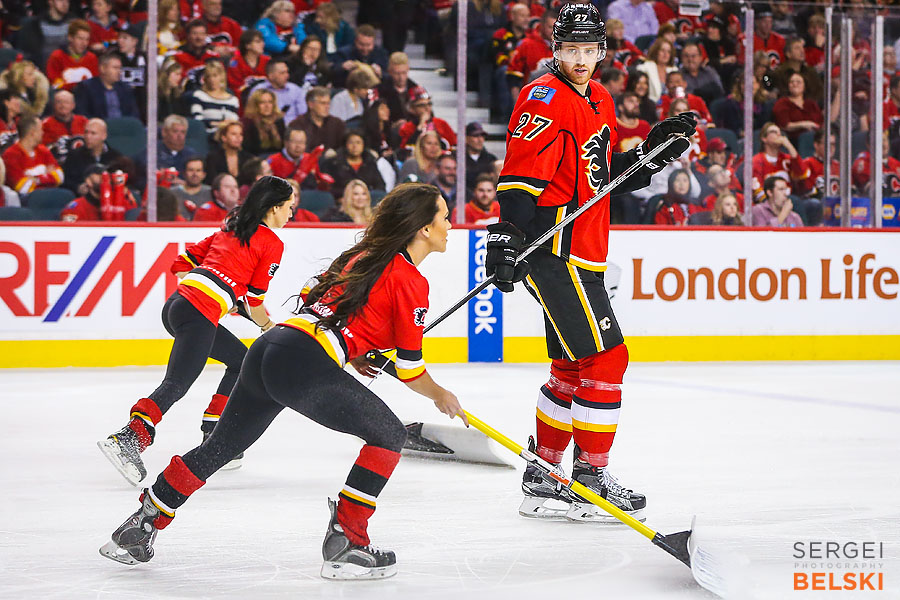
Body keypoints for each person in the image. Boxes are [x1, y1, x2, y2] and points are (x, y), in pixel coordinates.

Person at [100, 183, 465, 578]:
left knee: (220, 447)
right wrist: (441, 395)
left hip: (271, 346)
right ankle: (348, 542)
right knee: (389, 435)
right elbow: (410, 369)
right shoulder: (412, 281)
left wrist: (354, 349)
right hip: (303, 362)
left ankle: (139, 527)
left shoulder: (362, 256)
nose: (450, 225)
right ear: (424, 228)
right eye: (444, 217)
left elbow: (311, 294)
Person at [489, 4, 696, 522]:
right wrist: (507, 234)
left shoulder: (600, 97)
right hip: (553, 249)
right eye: (570, 49)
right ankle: (589, 480)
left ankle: (544, 475)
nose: (580, 59)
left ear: (601, 51)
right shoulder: (542, 97)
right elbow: (519, 177)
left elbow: (601, 177)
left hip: (586, 249)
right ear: (555, 50)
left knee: (573, 365)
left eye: (588, 49)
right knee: (607, 360)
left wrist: (652, 152)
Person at [97, 176, 292, 486]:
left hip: (177, 305)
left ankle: (213, 430)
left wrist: (219, 293)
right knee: (176, 384)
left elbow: (180, 264)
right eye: (289, 207)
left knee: (241, 361)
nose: (291, 213)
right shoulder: (272, 243)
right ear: (274, 208)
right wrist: (269, 328)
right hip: (197, 313)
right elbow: (255, 303)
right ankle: (129, 439)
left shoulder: (229, 230)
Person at [2, 115, 65, 197]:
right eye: (41, 129)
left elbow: (60, 176)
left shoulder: (43, 150)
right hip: (26, 201)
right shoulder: (11, 155)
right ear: (32, 133)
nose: (43, 133)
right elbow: (23, 188)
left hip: (50, 196)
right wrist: (47, 175)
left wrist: (36, 179)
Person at [751, 122, 809, 203]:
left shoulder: (787, 159)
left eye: (780, 132)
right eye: (774, 132)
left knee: (812, 204)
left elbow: (801, 175)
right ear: (764, 138)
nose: (779, 135)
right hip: (768, 202)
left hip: (790, 199)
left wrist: (789, 146)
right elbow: (757, 189)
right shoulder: (757, 160)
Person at [74, 51, 140, 120]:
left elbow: (134, 114)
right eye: (115, 68)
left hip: (123, 125)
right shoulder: (86, 87)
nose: (119, 72)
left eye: (120, 68)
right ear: (102, 69)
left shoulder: (125, 88)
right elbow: (82, 114)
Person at [62, 118, 124, 193]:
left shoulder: (116, 157)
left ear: (104, 136)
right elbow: (66, 181)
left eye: (93, 133)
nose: (88, 137)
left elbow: (121, 180)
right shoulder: (74, 156)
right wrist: (78, 187)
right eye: (86, 132)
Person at [59, 163, 137, 221]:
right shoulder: (76, 208)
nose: (105, 176)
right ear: (88, 181)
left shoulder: (120, 203)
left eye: (107, 173)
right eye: (99, 174)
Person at [506, 10, 556, 100]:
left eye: (557, 28)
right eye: (550, 27)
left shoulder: (566, 47)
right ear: (542, 25)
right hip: (531, 96)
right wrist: (517, 104)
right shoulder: (526, 44)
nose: (554, 31)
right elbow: (514, 77)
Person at [320, 130, 385, 198]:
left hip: (366, 200)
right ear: (345, 145)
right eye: (351, 142)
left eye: (358, 143)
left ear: (363, 145)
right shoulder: (334, 164)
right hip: (341, 200)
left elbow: (380, 185)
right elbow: (328, 188)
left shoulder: (370, 163)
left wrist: (366, 196)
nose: (355, 146)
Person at [187, 61, 240, 136]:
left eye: (215, 76)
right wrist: (219, 124)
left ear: (221, 76)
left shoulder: (233, 100)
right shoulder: (199, 96)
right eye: (209, 76)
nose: (211, 79)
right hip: (206, 136)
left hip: (227, 137)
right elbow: (197, 121)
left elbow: (235, 122)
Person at [398, 88, 457, 154]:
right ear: (412, 109)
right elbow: (406, 150)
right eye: (422, 105)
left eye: (429, 104)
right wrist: (420, 126)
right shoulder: (406, 128)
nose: (427, 108)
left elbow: (454, 145)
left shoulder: (441, 123)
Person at [46, 19, 99, 93]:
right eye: (80, 38)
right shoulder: (57, 56)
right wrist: (75, 88)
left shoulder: (92, 58)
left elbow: (96, 84)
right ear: (70, 37)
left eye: (87, 39)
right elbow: (55, 84)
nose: (84, 43)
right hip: (64, 96)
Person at [251, 60, 307, 126]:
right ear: (271, 76)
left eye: (287, 72)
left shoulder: (295, 90)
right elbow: (251, 114)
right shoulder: (258, 90)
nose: (287, 75)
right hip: (267, 127)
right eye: (282, 73)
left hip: (293, 128)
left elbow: (303, 114)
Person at [289, 86, 346, 151]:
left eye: (328, 103)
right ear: (311, 104)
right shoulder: (297, 125)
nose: (327, 107)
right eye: (323, 103)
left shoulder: (338, 124)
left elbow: (343, 149)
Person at [772, 72, 822, 145]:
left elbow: (820, 123)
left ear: (805, 86)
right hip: (791, 140)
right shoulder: (782, 103)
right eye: (791, 82)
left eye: (798, 82)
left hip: (815, 139)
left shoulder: (811, 104)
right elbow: (783, 125)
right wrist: (803, 124)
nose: (795, 84)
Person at [41, 90, 88, 163]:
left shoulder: (83, 121)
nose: (63, 105)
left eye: (66, 102)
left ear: (73, 105)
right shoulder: (45, 125)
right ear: (53, 105)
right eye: (59, 102)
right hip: (58, 163)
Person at [204, 120, 253, 184]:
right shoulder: (213, 158)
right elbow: (211, 182)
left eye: (241, 134)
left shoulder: (249, 159)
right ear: (224, 137)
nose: (238, 137)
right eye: (233, 134)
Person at [227, 30, 270, 101]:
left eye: (262, 41)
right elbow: (235, 88)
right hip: (244, 101)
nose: (263, 44)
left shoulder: (267, 61)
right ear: (247, 45)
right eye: (258, 42)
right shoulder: (235, 63)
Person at [376, 52, 417, 125]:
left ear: (408, 70)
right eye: (397, 73)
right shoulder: (380, 90)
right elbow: (374, 116)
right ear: (390, 72)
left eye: (404, 73)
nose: (401, 77)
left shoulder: (416, 89)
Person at [241, 89, 285, 156]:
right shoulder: (248, 122)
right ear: (255, 105)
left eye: (270, 102)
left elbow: (284, 146)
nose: (267, 106)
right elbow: (247, 149)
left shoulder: (278, 120)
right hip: (256, 158)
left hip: (278, 158)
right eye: (262, 102)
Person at [635, 39, 678, 103]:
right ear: (656, 52)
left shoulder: (674, 70)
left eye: (669, 52)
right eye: (662, 50)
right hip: (650, 104)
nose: (665, 54)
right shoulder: (644, 68)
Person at [463, 122, 497, 195]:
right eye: (475, 136)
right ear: (466, 138)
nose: (480, 139)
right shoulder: (458, 158)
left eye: (482, 136)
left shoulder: (491, 159)